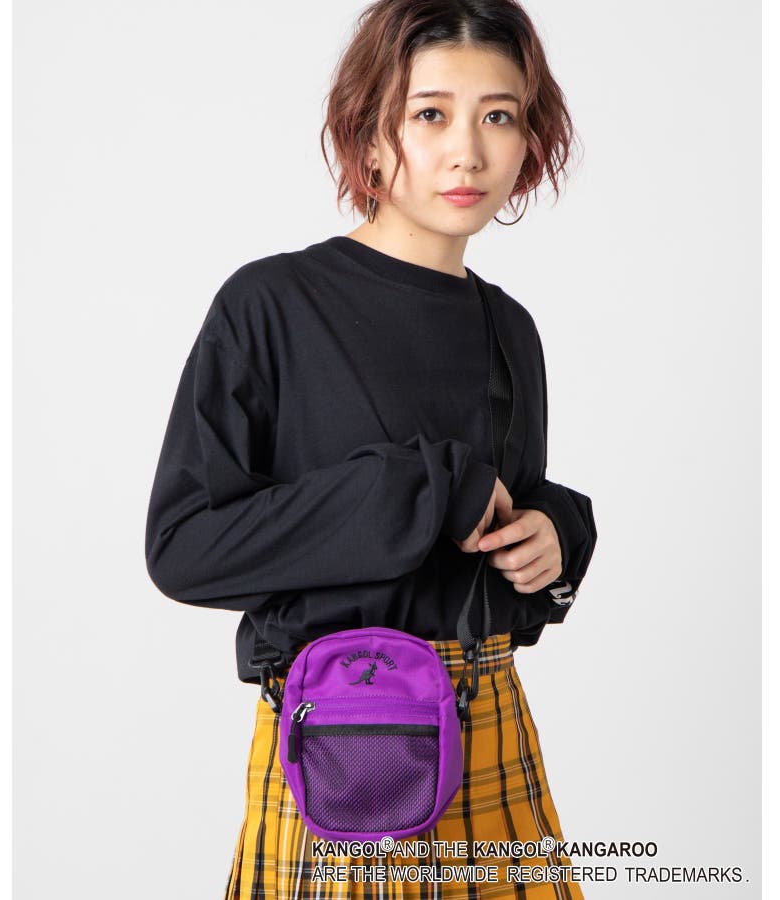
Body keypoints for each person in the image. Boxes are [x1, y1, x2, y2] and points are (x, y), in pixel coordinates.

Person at [144, 1, 597, 897]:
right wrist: (417, 492)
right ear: (369, 132)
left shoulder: (509, 328)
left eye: (498, 115)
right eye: (430, 113)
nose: (467, 152)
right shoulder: (272, 306)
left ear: (528, 139)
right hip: (342, 738)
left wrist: (555, 538)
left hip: (487, 719)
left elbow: (503, 527)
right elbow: (184, 548)